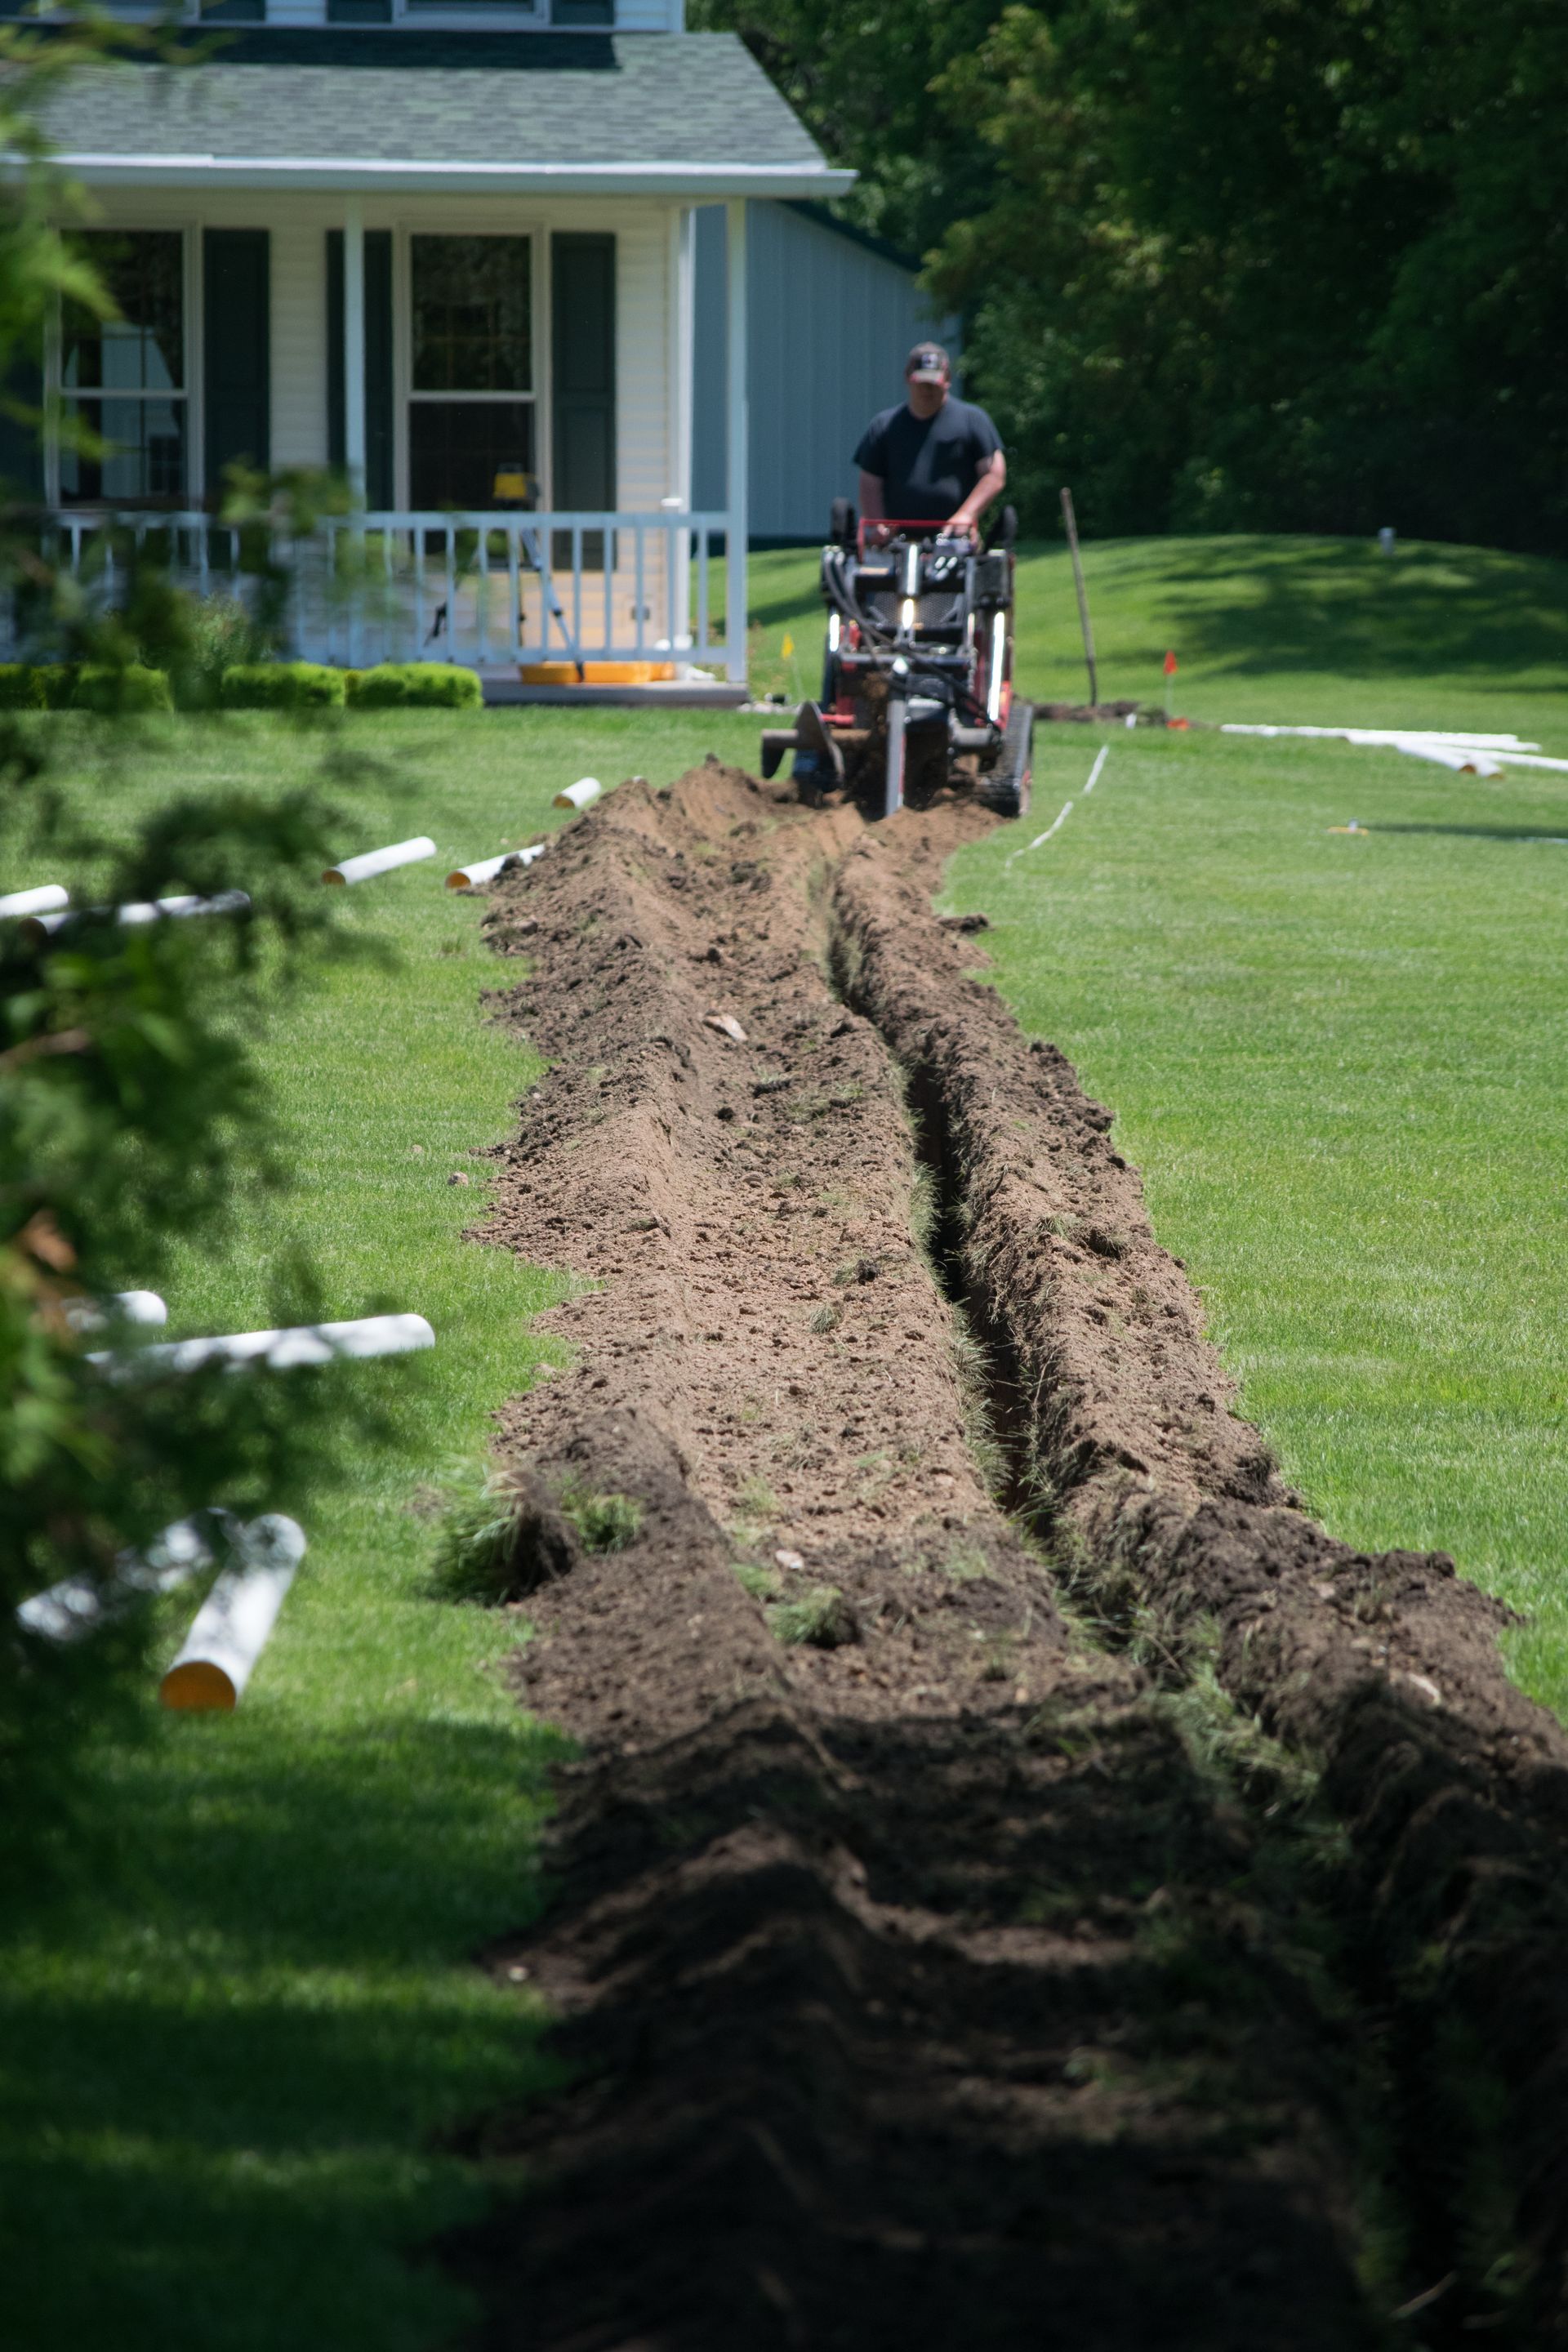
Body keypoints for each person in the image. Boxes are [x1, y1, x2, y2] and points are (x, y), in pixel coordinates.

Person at [853, 344, 1006, 541]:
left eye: (933, 382)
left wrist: (966, 515)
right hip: (897, 541)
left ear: (947, 379)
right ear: (908, 378)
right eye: (922, 382)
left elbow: (994, 474)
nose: (927, 389)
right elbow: (869, 481)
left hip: (954, 540)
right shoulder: (884, 426)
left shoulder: (973, 420)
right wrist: (878, 523)